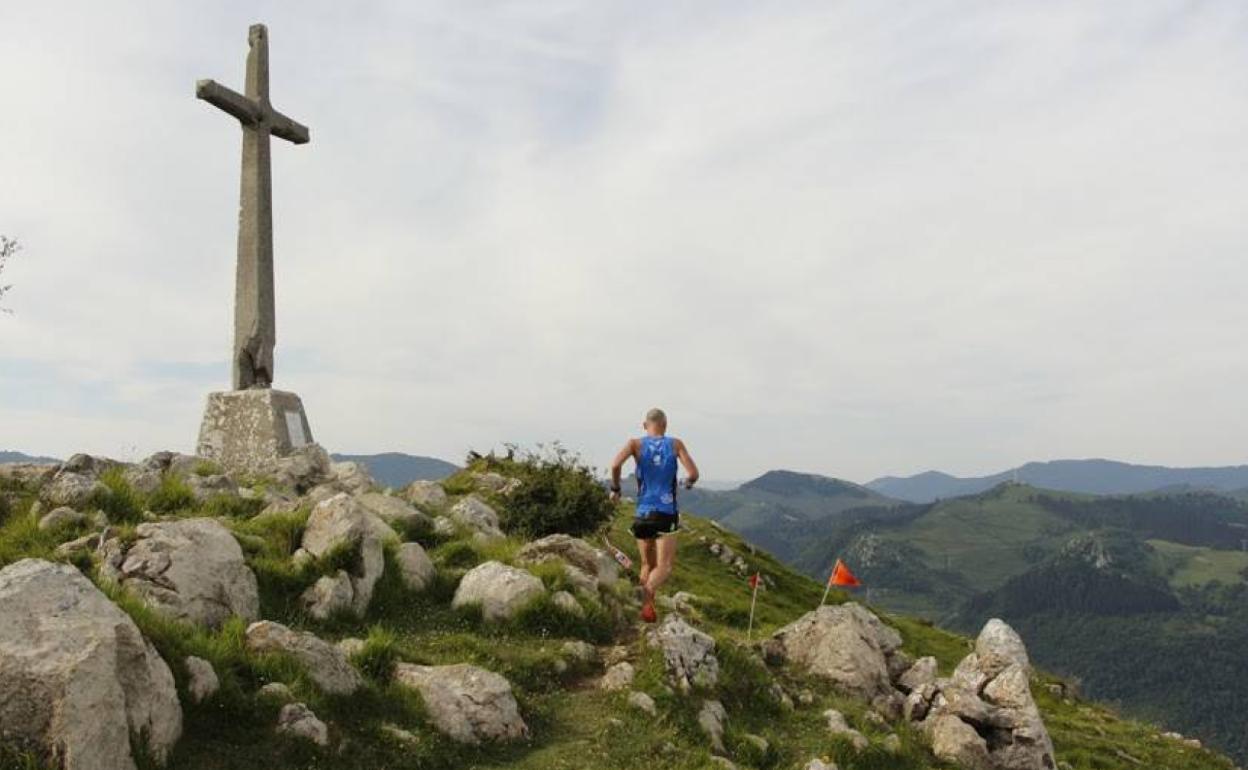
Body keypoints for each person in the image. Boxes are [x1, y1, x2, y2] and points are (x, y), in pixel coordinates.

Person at [609, 408, 699, 623]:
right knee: (664, 566)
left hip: (642, 513)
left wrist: (616, 489)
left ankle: (645, 609)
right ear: (665, 425)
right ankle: (646, 592)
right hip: (666, 513)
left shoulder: (634, 444)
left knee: (646, 565)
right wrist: (687, 483)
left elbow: (614, 465)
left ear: (644, 425)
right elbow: (694, 474)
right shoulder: (675, 444)